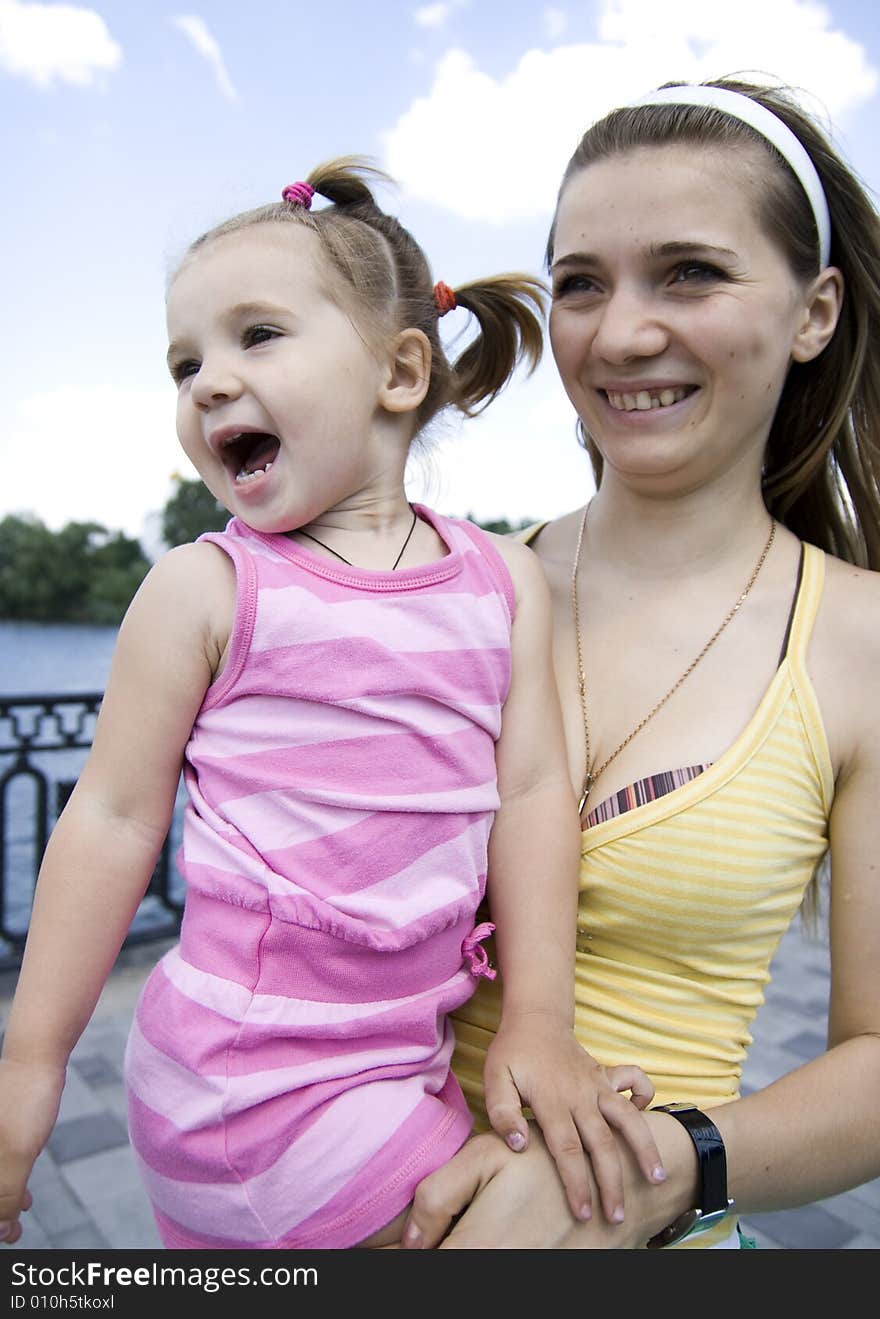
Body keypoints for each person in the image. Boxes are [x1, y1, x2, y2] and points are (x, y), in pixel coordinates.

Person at [0, 159, 663, 1251]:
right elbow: (112, 818)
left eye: (257, 336)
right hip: (247, 1082)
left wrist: (538, 1020)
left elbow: (534, 790)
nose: (208, 381)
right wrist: (31, 1062)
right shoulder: (208, 588)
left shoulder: (500, 581)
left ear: (400, 370)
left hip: (396, 1058)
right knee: (560, 1220)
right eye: (184, 360)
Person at [399, 77, 880, 1250]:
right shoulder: (434, 590)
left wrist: (662, 1169)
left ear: (814, 311)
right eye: (579, 284)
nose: (618, 333)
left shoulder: (864, 642)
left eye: (690, 272)